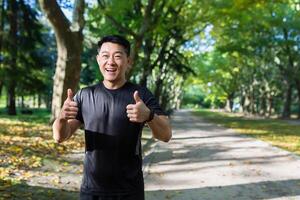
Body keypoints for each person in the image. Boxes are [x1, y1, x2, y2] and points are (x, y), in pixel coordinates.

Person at [52, 35, 172, 200]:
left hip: (130, 191)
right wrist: (62, 118)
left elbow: (165, 135)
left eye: (117, 56)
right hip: (91, 190)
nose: (111, 62)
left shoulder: (141, 94)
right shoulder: (85, 95)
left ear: (128, 61)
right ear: (98, 59)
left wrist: (149, 116)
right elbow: (59, 137)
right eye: (105, 56)